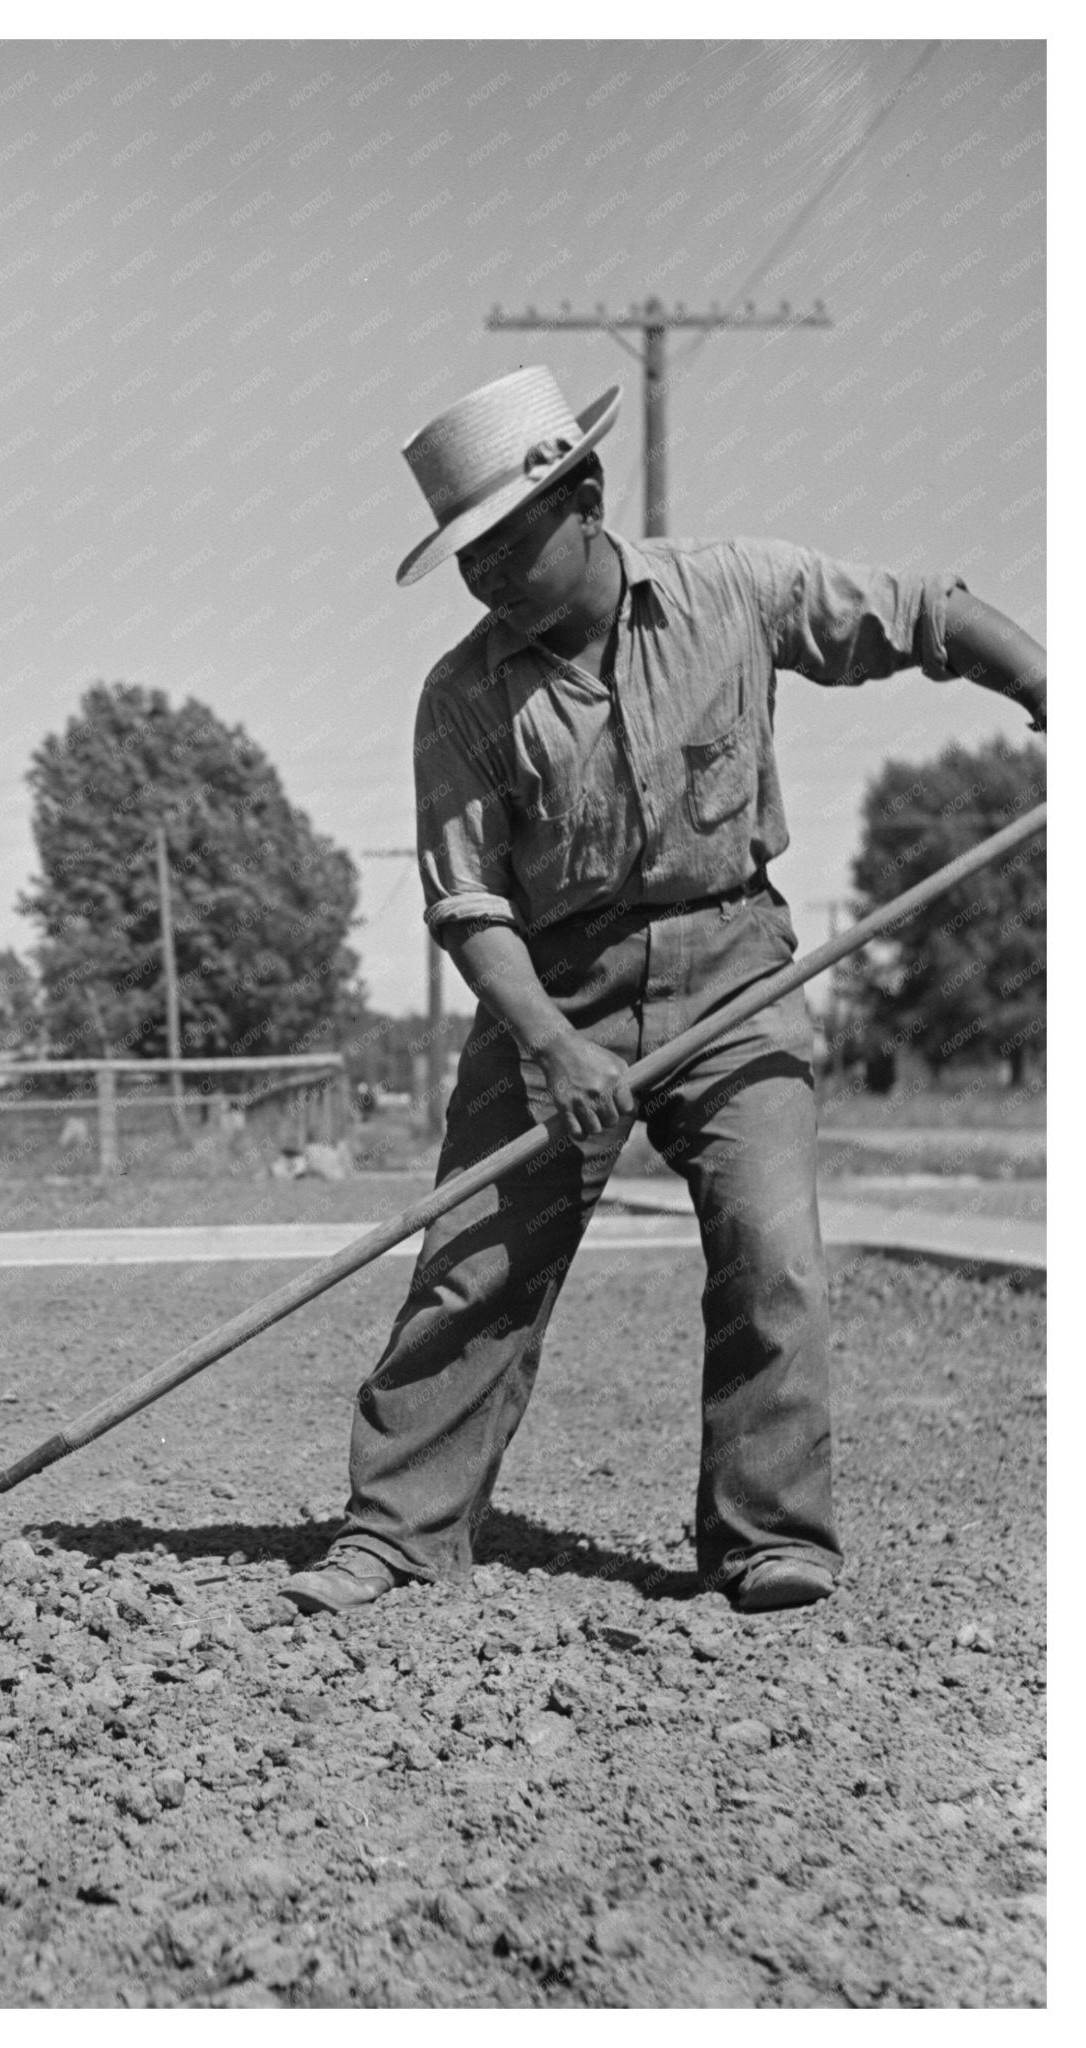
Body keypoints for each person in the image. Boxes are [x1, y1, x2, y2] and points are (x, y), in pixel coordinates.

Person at [283, 366, 1046, 1617]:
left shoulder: (731, 589)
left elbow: (921, 614)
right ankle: (395, 1531)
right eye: (465, 557)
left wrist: (1043, 689)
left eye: (502, 545)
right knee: (473, 1269)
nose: (482, 577)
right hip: (551, 992)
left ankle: (766, 1537)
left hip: (734, 967)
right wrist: (549, 1043)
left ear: (583, 498)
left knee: (770, 1250)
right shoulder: (462, 697)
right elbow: (467, 903)